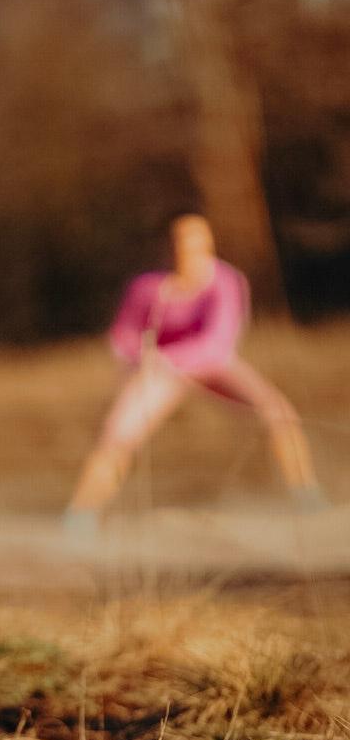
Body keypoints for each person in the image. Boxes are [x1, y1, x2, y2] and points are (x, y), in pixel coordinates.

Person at [64, 214, 325, 534]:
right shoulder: (147, 288)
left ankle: (306, 496)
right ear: (169, 247)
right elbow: (122, 336)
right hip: (160, 375)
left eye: (198, 242)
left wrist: (162, 358)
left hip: (213, 367)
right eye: (183, 242)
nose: (190, 250)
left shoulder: (227, 281)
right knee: (116, 435)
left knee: (278, 412)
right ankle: (80, 516)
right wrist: (136, 359)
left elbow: (216, 344)